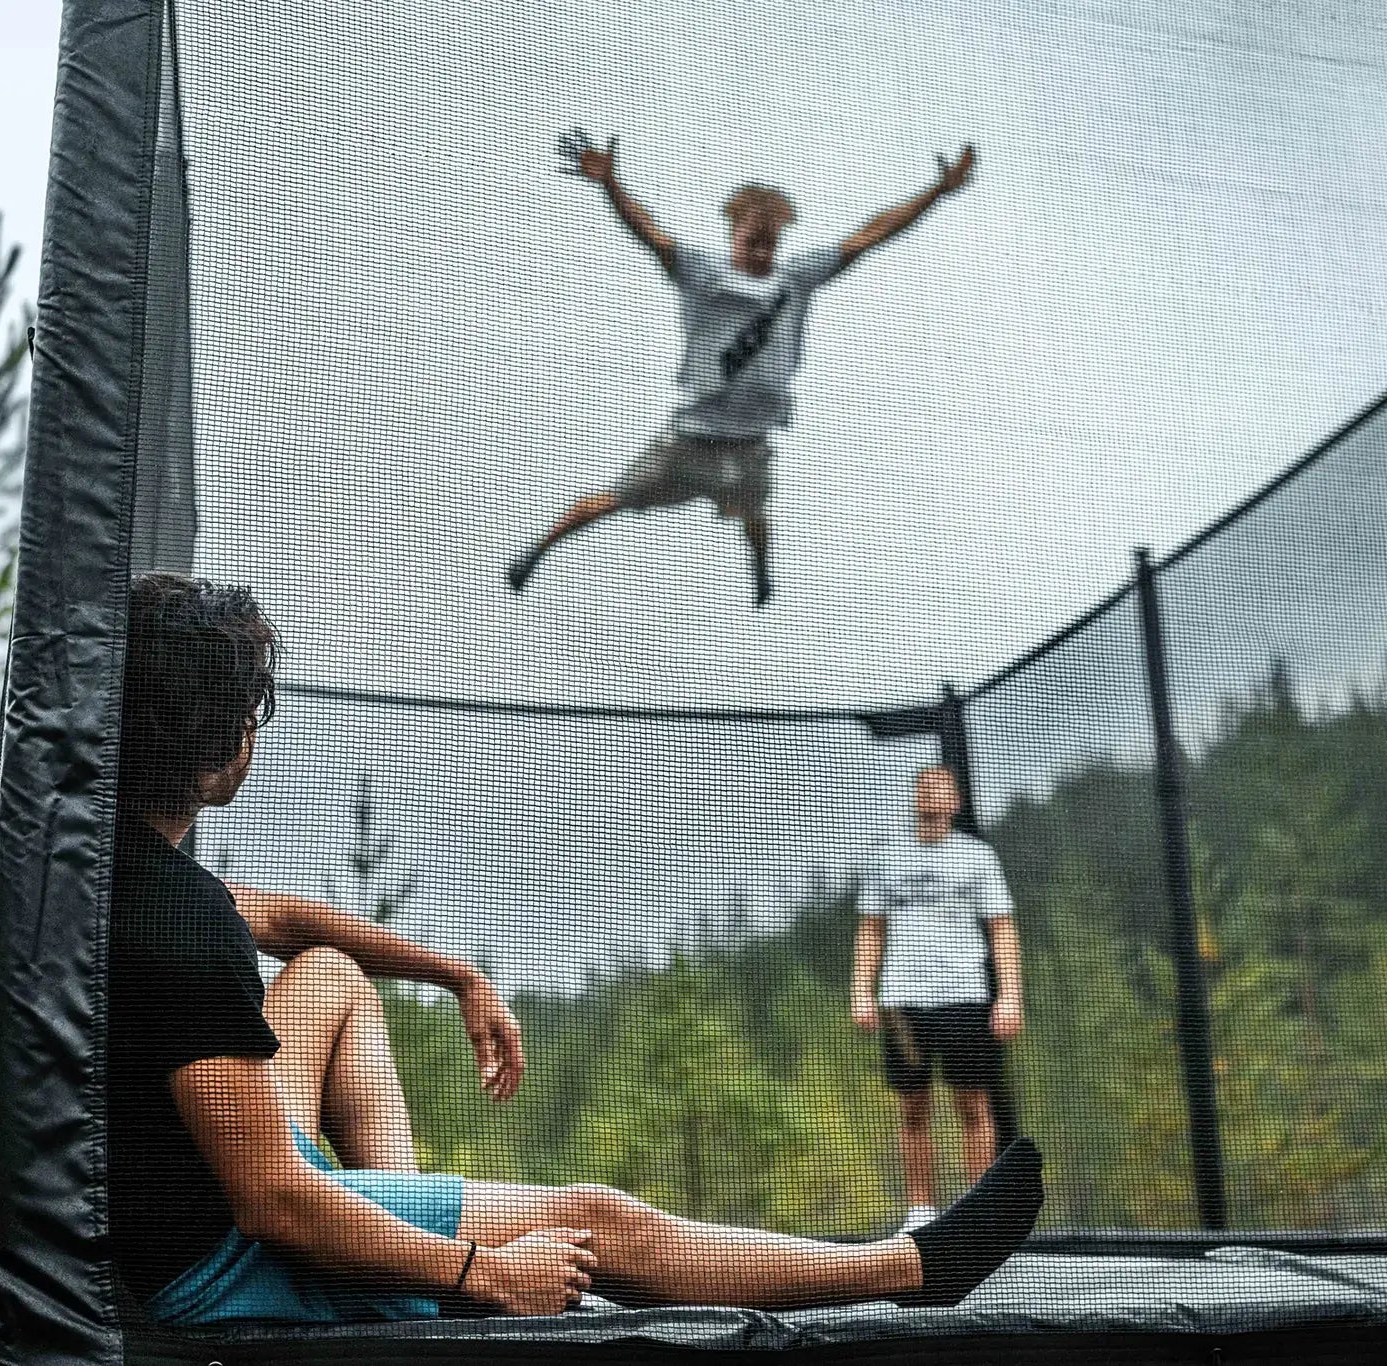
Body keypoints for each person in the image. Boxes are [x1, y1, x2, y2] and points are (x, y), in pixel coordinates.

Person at [109, 573, 1043, 1326]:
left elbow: (282, 922)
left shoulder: (102, 864)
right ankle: (906, 1268)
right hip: (218, 1263)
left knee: (330, 976)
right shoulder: (183, 924)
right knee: (602, 1221)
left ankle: (397, 1244)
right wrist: (482, 1270)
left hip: (174, 1202)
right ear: (232, 744)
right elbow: (275, 1204)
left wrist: (455, 973)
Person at [504, 131, 978, 607]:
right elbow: (650, 233)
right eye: (752, 242)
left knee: (753, 515)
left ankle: (761, 574)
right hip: (692, 441)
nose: (761, 254)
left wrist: (935, 192)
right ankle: (539, 549)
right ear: (733, 234)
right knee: (614, 500)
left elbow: (866, 237)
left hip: (749, 446)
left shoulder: (795, 279)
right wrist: (611, 184)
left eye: (769, 245)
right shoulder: (701, 273)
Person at [851, 766, 1024, 1234]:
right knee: (912, 1108)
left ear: (957, 800)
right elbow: (871, 930)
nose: (930, 789)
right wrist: (862, 990)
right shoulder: (886, 858)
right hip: (902, 1002)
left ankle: (978, 1214)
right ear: (914, 798)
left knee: (973, 1105)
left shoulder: (977, 857)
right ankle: (921, 1214)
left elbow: (1002, 927)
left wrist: (1009, 995)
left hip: (965, 997)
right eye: (923, 784)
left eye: (942, 784)